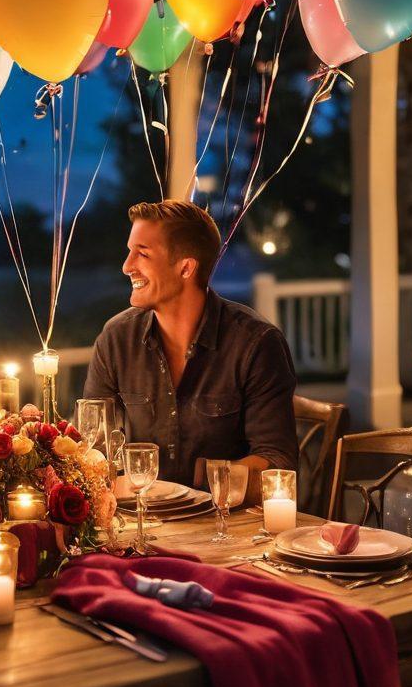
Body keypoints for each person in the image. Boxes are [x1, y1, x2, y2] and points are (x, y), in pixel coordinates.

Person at [83, 200, 297, 500]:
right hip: (142, 523)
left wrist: (200, 482)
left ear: (186, 267)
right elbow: (93, 448)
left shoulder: (256, 343)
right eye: (130, 251)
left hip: (225, 529)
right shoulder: (116, 339)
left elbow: (278, 462)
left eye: (142, 253)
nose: (127, 266)